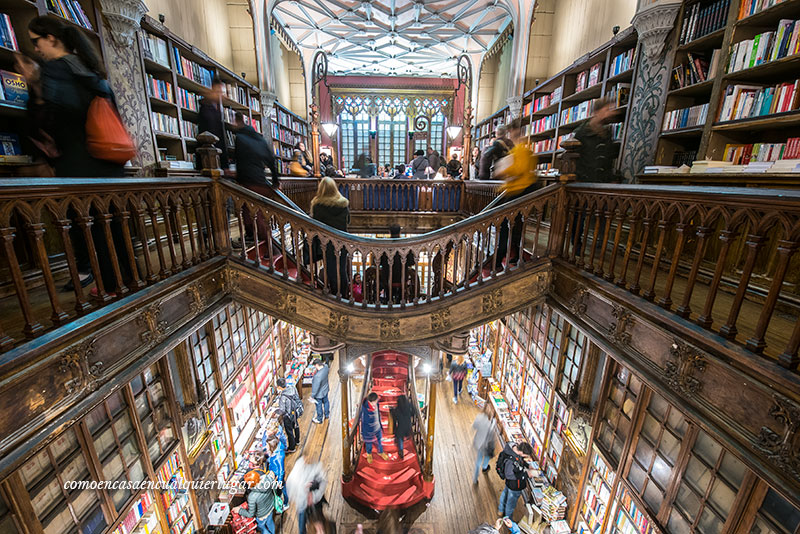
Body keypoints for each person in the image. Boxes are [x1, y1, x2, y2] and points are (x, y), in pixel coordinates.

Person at [23, 16, 131, 295]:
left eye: (36, 41)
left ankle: (111, 287)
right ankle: (128, 282)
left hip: (80, 162)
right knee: (115, 228)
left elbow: (55, 117)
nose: (35, 49)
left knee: (93, 229)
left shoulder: (55, 69)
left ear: (51, 38)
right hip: (109, 160)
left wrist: (34, 89)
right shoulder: (90, 69)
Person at [492, 118, 541, 268]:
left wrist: (504, 170)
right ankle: (508, 256)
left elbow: (518, 171)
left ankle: (500, 258)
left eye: (511, 133)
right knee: (511, 226)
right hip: (517, 193)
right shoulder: (520, 151)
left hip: (518, 194)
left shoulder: (521, 151)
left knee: (507, 227)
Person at [310, 177, 350, 297]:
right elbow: (348, 221)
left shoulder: (317, 205)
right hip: (341, 241)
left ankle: (335, 293)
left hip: (326, 243)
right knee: (342, 269)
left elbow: (314, 223)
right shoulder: (343, 203)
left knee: (331, 270)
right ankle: (344, 294)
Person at [573, 98, 619, 183]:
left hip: (603, 183)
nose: (612, 113)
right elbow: (575, 160)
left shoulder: (607, 133)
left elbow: (608, 161)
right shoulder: (581, 133)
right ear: (597, 112)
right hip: (585, 183)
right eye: (607, 110)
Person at [286, 451, 327, 534]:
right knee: (307, 520)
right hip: (304, 504)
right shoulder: (296, 476)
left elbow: (322, 481)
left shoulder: (311, 470)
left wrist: (313, 493)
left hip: (312, 502)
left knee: (314, 518)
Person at [497, 441, 535, 519]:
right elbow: (509, 475)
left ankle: (500, 510)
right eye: (526, 455)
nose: (526, 457)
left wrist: (527, 465)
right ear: (521, 452)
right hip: (514, 485)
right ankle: (508, 520)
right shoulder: (511, 460)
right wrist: (526, 475)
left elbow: (520, 461)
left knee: (505, 493)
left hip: (510, 483)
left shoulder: (514, 449)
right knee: (510, 504)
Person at [198, 77, 229, 169]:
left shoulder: (218, 107)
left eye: (222, 92)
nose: (220, 95)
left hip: (218, 150)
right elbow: (208, 129)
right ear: (213, 89)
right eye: (218, 91)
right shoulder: (205, 107)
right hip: (208, 149)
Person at [235, 469, 276, 534]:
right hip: (270, 507)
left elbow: (250, 514)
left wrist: (239, 510)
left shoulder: (252, 496)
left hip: (262, 514)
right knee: (270, 522)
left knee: (262, 527)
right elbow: (272, 475)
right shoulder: (267, 480)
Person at [275, 378, 302, 452]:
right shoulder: (292, 388)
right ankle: (297, 441)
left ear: (279, 387)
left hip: (288, 416)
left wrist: (275, 412)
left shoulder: (283, 397)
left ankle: (292, 447)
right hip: (295, 412)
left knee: (289, 431)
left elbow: (282, 410)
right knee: (296, 426)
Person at [360, 392, 388, 464]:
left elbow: (378, 414)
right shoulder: (364, 408)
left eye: (375, 402)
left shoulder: (376, 404)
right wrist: (362, 432)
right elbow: (362, 420)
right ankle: (369, 454)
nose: (374, 404)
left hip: (377, 427)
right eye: (373, 403)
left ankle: (380, 452)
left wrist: (380, 424)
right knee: (369, 443)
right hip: (368, 429)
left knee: (379, 441)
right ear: (369, 401)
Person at [472, 404, 496, 483]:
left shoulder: (479, 417)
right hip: (486, 445)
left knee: (478, 461)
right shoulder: (490, 424)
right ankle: (485, 467)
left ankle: (475, 479)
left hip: (479, 443)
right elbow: (491, 435)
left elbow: (474, 426)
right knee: (487, 456)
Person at [390, 395, 412, 460]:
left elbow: (395, 418)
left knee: (400, 437)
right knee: (401, 434)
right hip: (408, 426)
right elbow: (413, 412)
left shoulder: (397, 410)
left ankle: (401, 450)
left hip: (401, 427)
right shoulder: (409, 406)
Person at [310, 358, 330, 424]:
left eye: (315, 366)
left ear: (317, 365)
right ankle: (327, 414)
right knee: (326, 401)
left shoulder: (317, 376)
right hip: (325, 389)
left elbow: (316, 387)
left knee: (319, 406)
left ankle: (319, 418)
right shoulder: (326, 367)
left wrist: (312, 396)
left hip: (319, 394)